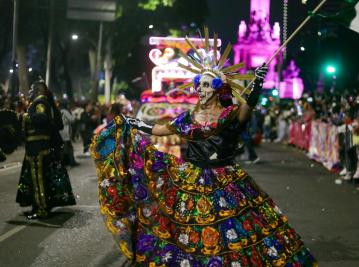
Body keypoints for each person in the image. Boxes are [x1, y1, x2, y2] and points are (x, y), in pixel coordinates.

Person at [91, 34, 317, 266]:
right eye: (199, 84)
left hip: (226, 179)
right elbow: (160, 129)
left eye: (207, 85)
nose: (200, 89)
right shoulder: (189, 117)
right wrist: (134, 123)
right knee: (189, 226)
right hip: (192, 176)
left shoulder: (230, 114)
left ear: (219, 89)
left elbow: (246, 109)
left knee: (230, 230)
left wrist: (257, 83)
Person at [16, 81, 76, 220]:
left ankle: (42, 209)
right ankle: (40, 205)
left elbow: (42, 118)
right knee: (40, 178)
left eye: (31, 89)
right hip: (39, 147)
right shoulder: (41, 102)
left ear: (38, 91)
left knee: (38, 179)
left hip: (38, 148)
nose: (29, 92)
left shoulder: (40, 103)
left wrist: (23, 116)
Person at [59, 100, 79, 167]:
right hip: (65, 130)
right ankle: (71, 162)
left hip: (60, 130)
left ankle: (67, 161)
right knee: (68, 147)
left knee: (64, 146)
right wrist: (74, 115)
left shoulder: (58, 110)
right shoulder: (65, 111)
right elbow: (71, 119)